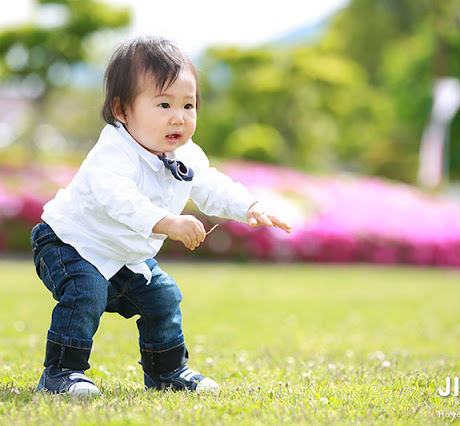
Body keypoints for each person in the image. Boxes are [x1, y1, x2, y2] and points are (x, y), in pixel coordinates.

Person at [30, 35, 292, 397]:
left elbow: (211, 185)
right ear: (122, 110)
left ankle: (167, 372)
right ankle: (61, 373)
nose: (179, 117)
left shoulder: (185, 153)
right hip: (69, 242)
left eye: (189, 105)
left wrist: (249, 206)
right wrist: (168, 223)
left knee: (163, 296)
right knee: (85, 291)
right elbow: (118, 199)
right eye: (165, 104)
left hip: (126, 255)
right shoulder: (114, 152)